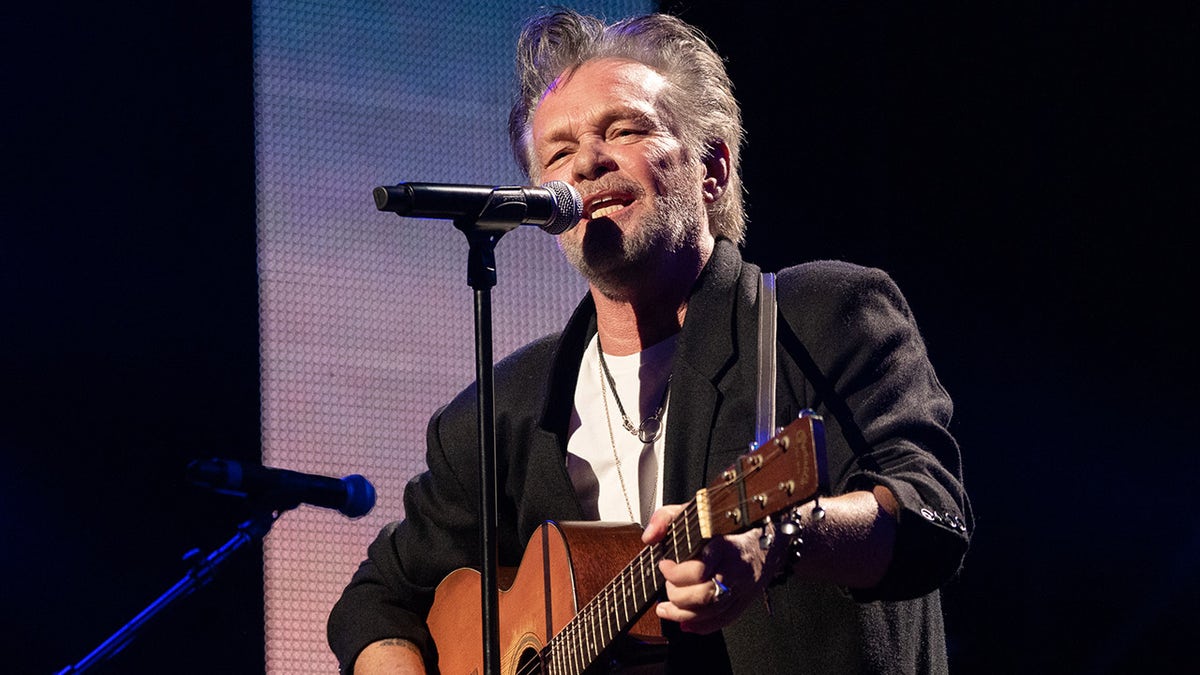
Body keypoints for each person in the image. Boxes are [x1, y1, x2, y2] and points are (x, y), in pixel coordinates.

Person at [328, 9, 970, 674]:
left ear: (712, 168)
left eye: (622, 129)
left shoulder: (821, 317)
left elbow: (929, 511)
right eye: (557, 152)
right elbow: (374, 602)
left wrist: (781, 538)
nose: (587, 162)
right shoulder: (502, 412)